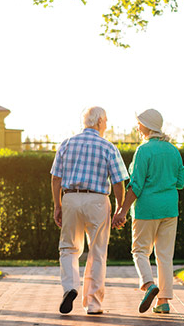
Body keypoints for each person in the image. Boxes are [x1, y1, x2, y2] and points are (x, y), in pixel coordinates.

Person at [50, 106, 128, 315]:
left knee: (68, 248)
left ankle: (70, 288)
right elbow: (119, 182)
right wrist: (121, 208)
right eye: (107, 121)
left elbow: (56, 178)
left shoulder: (66, 144)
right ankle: (93, 304)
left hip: (71, 197)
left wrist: (58, 205)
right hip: (97, 200)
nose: (107, 124)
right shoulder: (108, 147)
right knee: (97, 252)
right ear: (100, 122)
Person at [112, 108, 184, 314]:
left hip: (146, 209)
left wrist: (122, 211)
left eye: (139, 122)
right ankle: (163, 301)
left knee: (140, 251)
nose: (137, 126)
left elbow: (136, 185)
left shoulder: (143, 150)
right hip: (170, 208)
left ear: (147, 126)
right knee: (165, 256)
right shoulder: (173, 150)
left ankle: (148, 284)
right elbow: (180, 182)